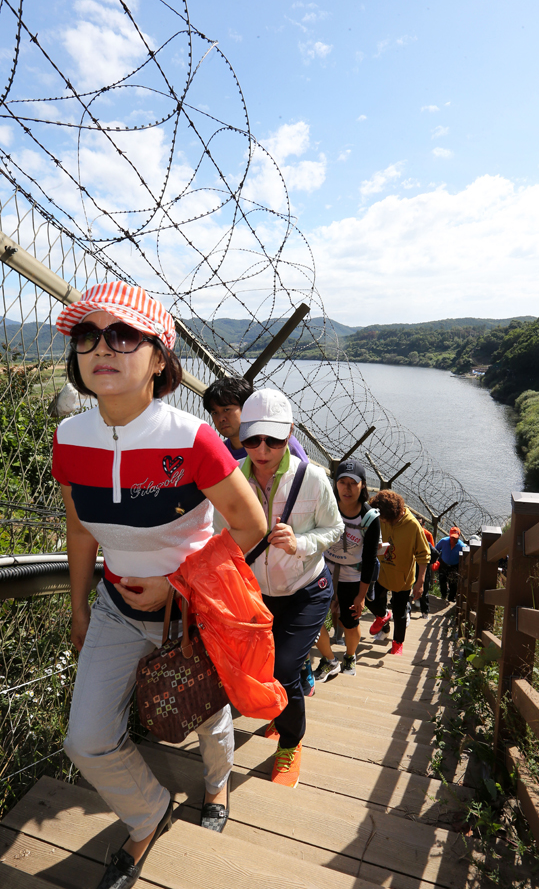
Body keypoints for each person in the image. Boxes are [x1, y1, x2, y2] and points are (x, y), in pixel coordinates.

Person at [52, 282, 267, 889]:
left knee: (204, 715)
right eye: (87, 336)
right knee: (87, 739)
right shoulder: (70, 438)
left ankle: (218, 785)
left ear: (159, 358)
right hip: (117, 608)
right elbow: (81, 532)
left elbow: (251, 525)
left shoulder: (191, 439)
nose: (102, 347)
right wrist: (79, 609)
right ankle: (148, 813)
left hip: (194, 611)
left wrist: (179, 589)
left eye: (122, 335)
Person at [239, 388, 343, 787]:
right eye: (253, 439)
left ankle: (290, 743)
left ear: (290, 435)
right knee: (270, 668)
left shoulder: (313, 478)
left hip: (306, 589)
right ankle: (283, 707)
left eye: (274, 439)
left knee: (281, 667)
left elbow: (333, 529)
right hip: (258, 592)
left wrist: (300, 543)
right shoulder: (233, 479)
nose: (262, 449)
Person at [312, 460, 380, 680]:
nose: (347, 488)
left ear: (363, 486)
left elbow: (369, 559)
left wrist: (361, 595)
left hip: (352, 577)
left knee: (349, 622)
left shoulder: (369, 518)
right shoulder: (326, 506)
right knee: (313, 619)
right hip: (324, 572)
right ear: (336, 484)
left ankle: (350, 655)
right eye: (342, 482)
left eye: (353, 483)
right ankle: (329, 659)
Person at [366, 491, 431, 655]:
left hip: (402, 578)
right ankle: (383, 617)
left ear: (395, 515)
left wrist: (420, 582)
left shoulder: (413, 526)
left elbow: (424, 554)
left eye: (385, 520)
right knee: (369, 599)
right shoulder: (381, 518)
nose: (382, 522)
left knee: (400, 613)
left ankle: (397, 644)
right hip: (381, 573)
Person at [203, 376, 308, 463]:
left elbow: (305, 478)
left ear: (246, 408)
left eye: (227, 409)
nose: (221, 419)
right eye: (214, 413)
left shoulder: (281, 444)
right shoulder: (218, 454)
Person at [435, 526, 468, 602]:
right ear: (450, 535)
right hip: (443, 563)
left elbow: (466, 557)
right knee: (442, 580)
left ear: (458, 537)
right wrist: (435, 561)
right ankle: (443, 595)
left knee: (453, 583)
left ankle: (451, 598)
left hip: (454, 566)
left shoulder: (462, 546)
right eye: (452, 537)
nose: (454, 539)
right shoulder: (443, 541)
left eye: (456, 537)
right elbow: (436, 549)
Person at [414, 514, 438, 621]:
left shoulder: (427, 535)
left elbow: (432, 551)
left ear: (423, 524)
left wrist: (430, 563)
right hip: (411, 564)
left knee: (424, 588)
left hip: (423, 563)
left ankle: (425, 611)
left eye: (420, 523)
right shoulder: (411, 532)